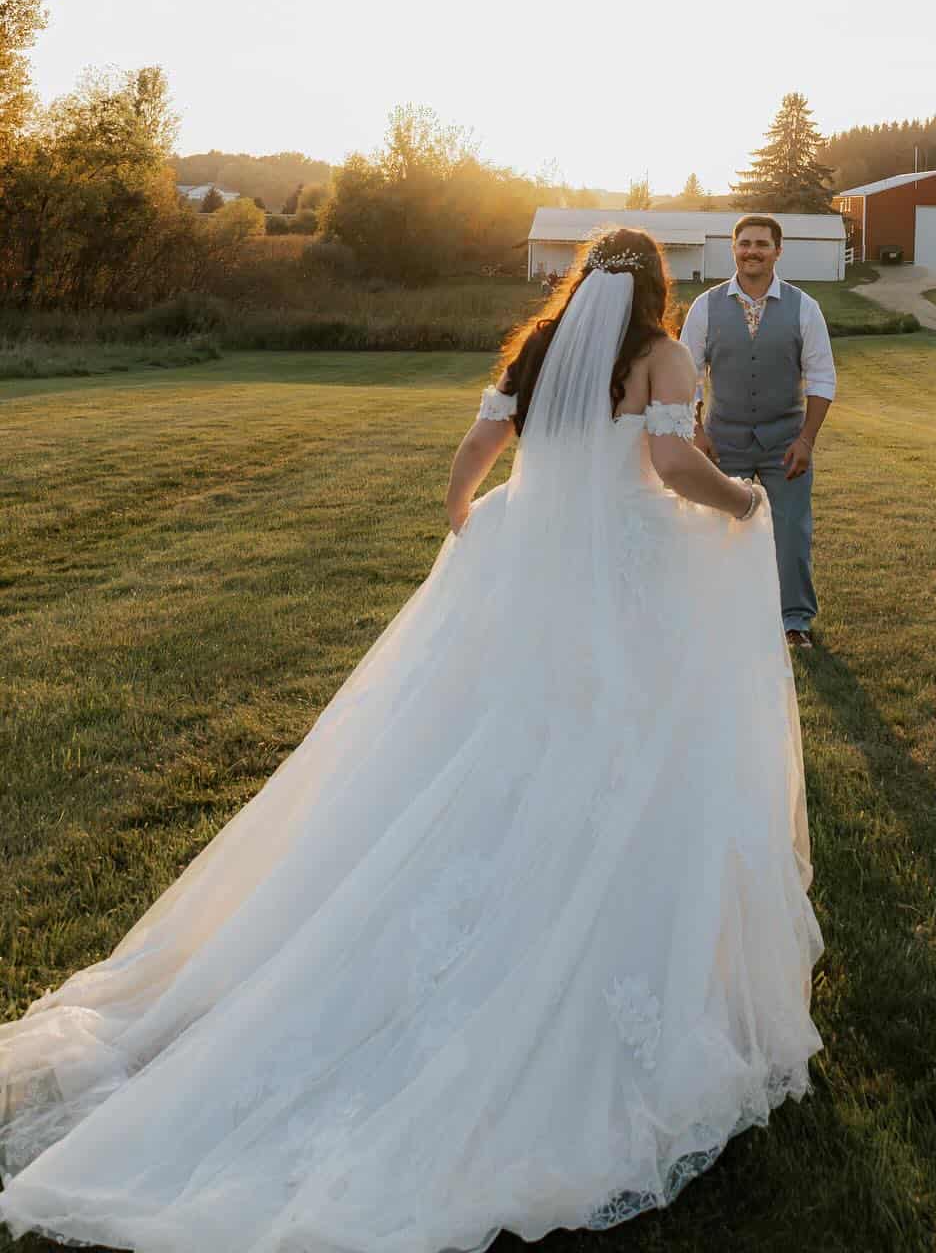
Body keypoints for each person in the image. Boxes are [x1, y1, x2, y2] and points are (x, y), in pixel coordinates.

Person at [0, 229, 823, 1253]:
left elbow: (476, 454)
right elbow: (666, 460)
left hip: (533, 565)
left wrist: (465, 513)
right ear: (656, 288)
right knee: (623, 750)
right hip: (618, 572)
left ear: (582, 284)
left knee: (490, 742)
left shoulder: (537, 348)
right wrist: (741, 499)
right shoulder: (659, 354)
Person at [678, 216, 836, 652]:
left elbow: (822, 378)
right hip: (720, 442)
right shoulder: (705, 307)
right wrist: (695, 430)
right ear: (733, 249)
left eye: (762, 244)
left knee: (791, 532)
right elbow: (686, 375)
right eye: (744, 243)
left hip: (785, 444)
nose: (753, 251)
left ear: (777, 251)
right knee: (713, 527)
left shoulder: (804, 307)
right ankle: (713, 612)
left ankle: (794, 621)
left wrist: (806, 440)